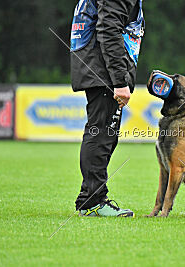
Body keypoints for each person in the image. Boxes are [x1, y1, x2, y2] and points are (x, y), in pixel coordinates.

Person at [70, 0, 144, 217]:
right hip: (102, 69)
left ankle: (91, 198)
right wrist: (120, 81)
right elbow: (108, 29)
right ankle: (92, 201)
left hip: (96, 66)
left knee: (105, 134)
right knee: (101, 133)